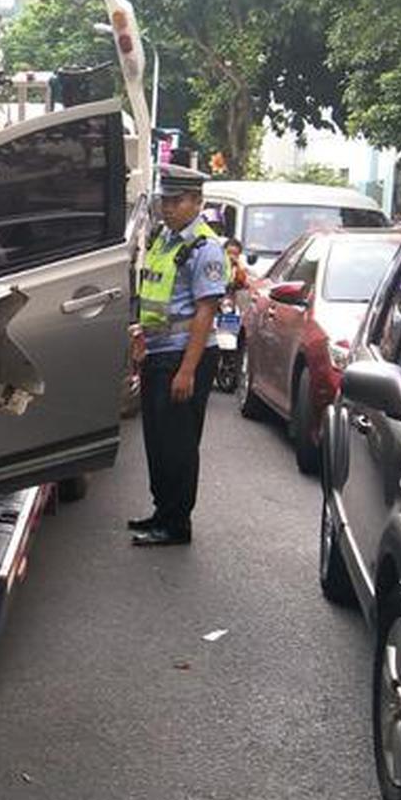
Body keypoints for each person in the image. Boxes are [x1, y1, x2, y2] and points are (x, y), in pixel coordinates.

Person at [127, 164, 229, 547]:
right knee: (157, 440)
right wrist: (142, 334)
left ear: (197, 202)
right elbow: (159, 299)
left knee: (179, 445)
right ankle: (161, 511)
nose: (168, 208)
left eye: (177, 200)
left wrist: (187, 370)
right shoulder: (164, 239)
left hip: (185, 357)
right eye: (165, 200)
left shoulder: (206, 248)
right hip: (157, 353)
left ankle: (176, 523)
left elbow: (205, 311)